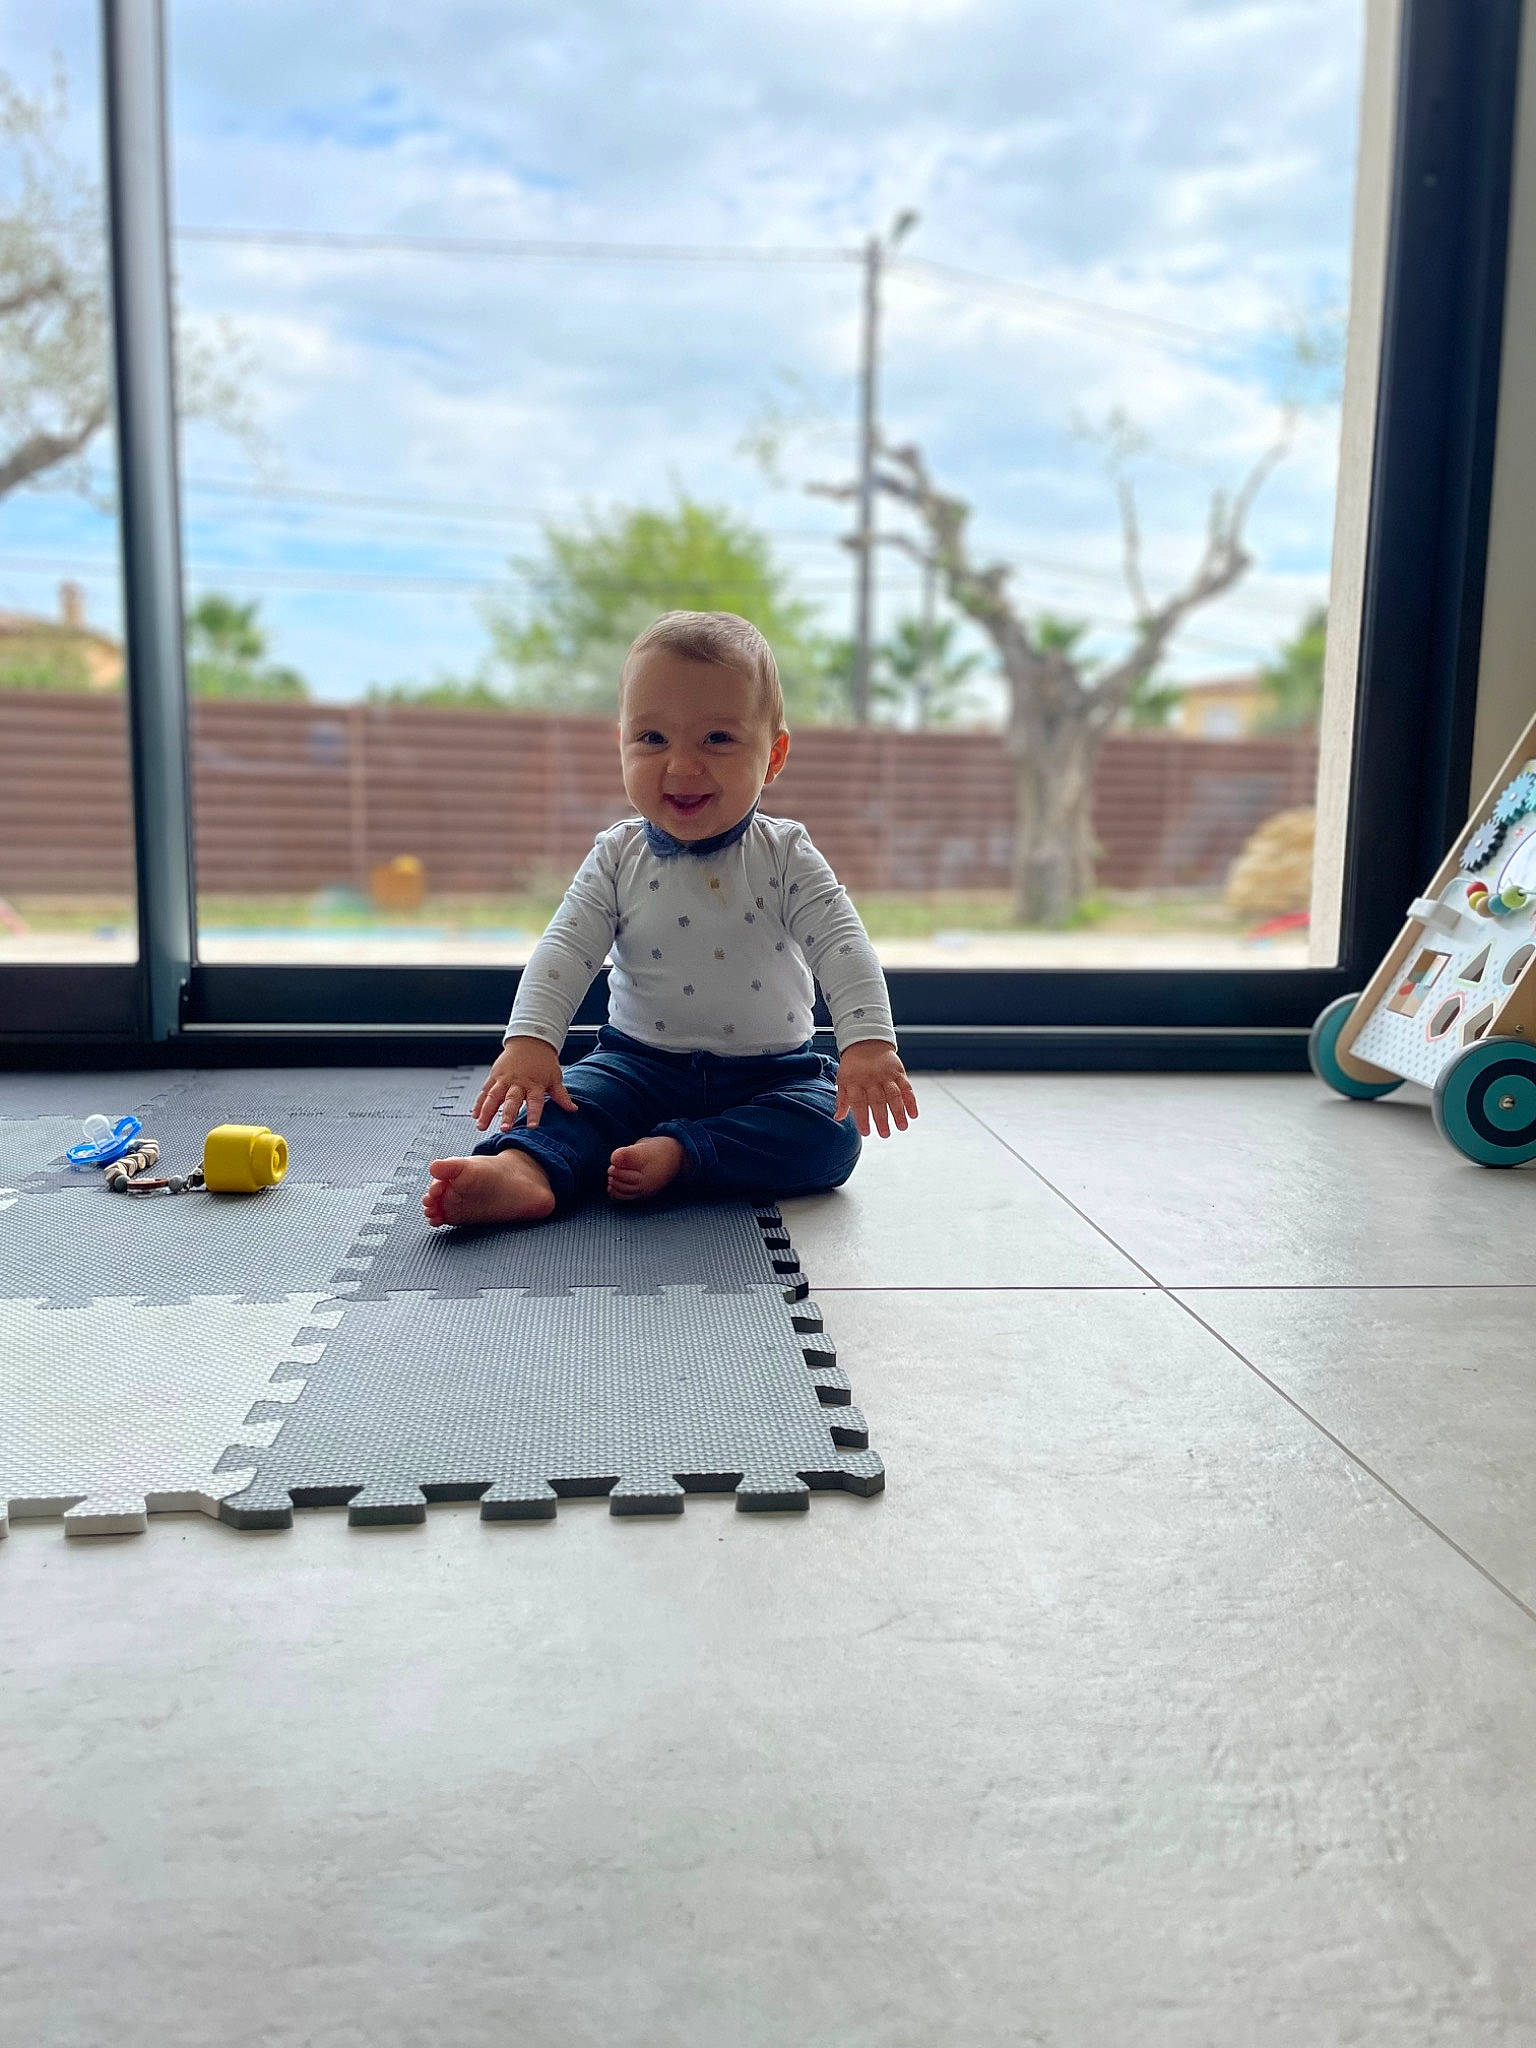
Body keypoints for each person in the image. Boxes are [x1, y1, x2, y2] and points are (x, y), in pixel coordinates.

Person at [422, 609, 918, 1228]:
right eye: (653, 739)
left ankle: (684, 1154)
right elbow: (565, 949)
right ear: (622, 743)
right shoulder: (616, 856)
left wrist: (867, 1043)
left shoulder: (786, 855)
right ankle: (524, 1169)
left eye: (717, 739)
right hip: (636, 1064)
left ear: (774, 755)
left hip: (769, 1076)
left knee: (831, 1138)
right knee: (574, 1101)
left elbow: (843, 946)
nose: (682, 767)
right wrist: (531, 1041)